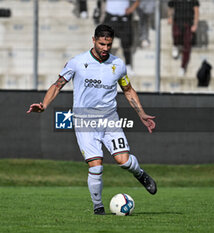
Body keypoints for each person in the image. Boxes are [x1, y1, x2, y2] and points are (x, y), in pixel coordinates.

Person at [27, 24, 157, 215]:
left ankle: (140, 174)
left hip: (109, 120)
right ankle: (98, 207)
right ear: (94, 40)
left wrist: (141, 114)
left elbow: (128, 90)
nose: (105, 48)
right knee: (96, 166)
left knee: (124, 161)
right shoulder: (77, 62)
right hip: (84, 121)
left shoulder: (118, 65)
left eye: (109, 45)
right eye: (102, 44)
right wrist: (44, 105)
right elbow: (57, 85)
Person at [103, 0, 140, 75]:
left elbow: (137, 1)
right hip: (110, 16)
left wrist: (131, 9)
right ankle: (104, 66)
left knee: (126, 42)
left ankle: (128, 66)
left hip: (124, 17)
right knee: (106, 42)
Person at [168, 0, 200, 76]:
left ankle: (182, 67)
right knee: (176, 34)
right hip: (177, 22)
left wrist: (195, 24)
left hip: (188, 23)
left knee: (187, 46)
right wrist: (169, 17)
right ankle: (176, 45)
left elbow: (196, 11)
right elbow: (170, 7)